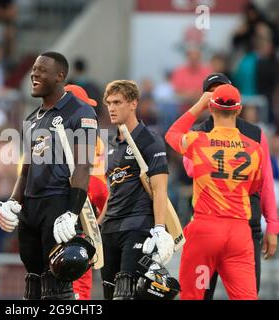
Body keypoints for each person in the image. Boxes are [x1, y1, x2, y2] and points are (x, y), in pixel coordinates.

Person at [0, 52, 98, 300]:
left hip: (58, 203)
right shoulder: (32, 118)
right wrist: (13, 201)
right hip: (31, 208)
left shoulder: (80, 111)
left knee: (56, 285)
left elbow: (83, 166)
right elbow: (26, 169)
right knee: (32, 284)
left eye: (41, 70)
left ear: (60, 76)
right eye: (33, 69)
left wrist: (71, 212)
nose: (34, 74)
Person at [182, 73, 278, 299]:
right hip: (210, 226)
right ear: (206, 99)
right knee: (202, 292)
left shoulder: (255, 133)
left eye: (223, 90)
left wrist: (272, 226)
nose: (219, 95)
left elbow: (265, 182)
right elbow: (190, 170)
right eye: (213, 91)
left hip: (246, 227)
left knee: (247, 293)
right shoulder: (197, 132)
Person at [166, 84, 263, 300]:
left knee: (194, 295)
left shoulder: (198, 140)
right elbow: (254, 188)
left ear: (211, 109)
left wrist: (199, 104)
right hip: (239, 232)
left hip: (205, 230)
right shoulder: (255, 148)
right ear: (239, 110)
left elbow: (172, 133)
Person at [99, 80, 174, 300]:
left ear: (133, 104)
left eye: (117, 102)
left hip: (137, 226)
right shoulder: (111, 144)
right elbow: (112, 190)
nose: (111, 108)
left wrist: (159, 228)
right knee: (109, 294)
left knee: (127, 294)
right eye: (109, 103)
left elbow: (160, 189)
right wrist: (96, 227)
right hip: (109, 229)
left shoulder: (150, 140)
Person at [64, 84, 109, 300]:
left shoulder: (42, 133)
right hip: (79, 218)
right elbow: (99, 189)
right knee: (78, 288)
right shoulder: (95, 140)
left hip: (50, 221)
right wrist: (98, 221)